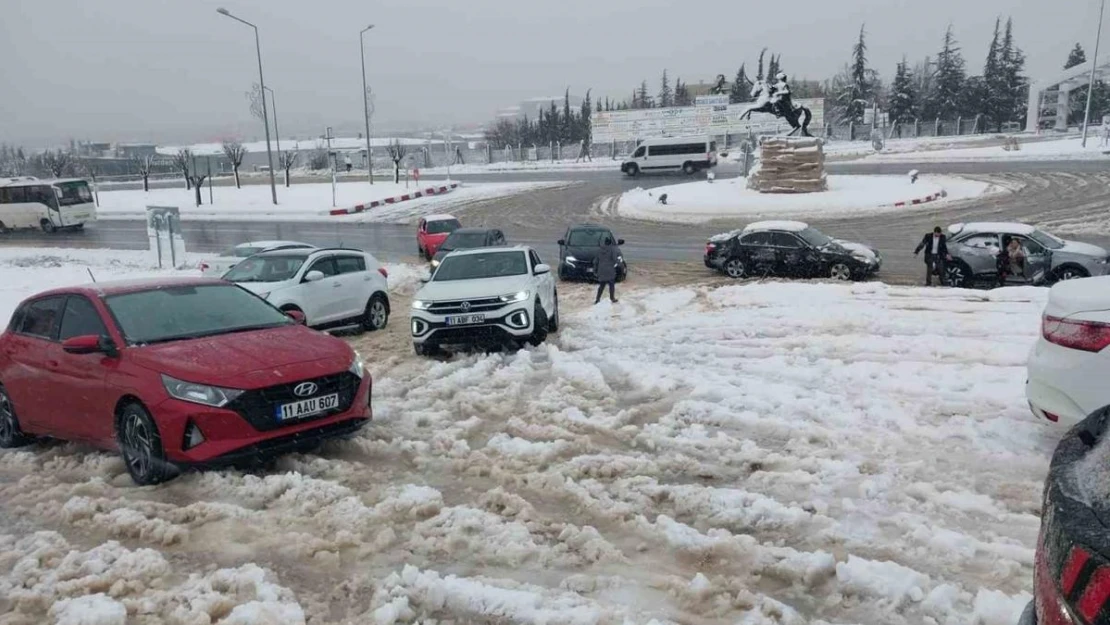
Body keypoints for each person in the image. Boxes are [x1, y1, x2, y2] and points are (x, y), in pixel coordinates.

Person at [594, 236, 620, 304]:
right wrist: (618, 263)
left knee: (601, 286)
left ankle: (597, 299)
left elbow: (596, 261)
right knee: (611, 285)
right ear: (610, 243)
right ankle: (612, 298)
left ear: (605, 243)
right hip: (610, 270)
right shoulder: (612, 249)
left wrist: (595, 270)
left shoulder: (599, 250)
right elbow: (615, 259)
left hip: (601, 270)